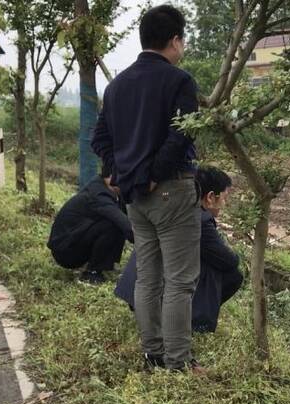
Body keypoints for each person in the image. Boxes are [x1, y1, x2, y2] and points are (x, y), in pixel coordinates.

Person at [91, 5, 202, 372]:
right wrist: (155, 173)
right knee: (180, 281)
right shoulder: (180, 81)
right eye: (182, 40)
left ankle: (153, 353)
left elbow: (100, 137)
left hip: (135, 198)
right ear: (174, 40)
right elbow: (183, 132)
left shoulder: (117, 85)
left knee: (149, 276)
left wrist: (117, 173)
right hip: (171, 191)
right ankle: (178, 362)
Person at [115, 166, 243, 333]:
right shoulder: (199, 220)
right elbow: (229, 261)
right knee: (231, 274)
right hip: (155, 292)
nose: (225, 204)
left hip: (136, 291)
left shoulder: (172, 203)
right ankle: (192, 319)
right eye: (225, 198)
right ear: (210, 197)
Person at [47, 165, 133, 285]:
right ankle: (91, 273)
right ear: (110, 177)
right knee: (113, 225)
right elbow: (127, 227)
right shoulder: (99, 195)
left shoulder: (108, 189)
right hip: (66, 251)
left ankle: (104, 265)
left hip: (76, 239)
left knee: (114, 224)